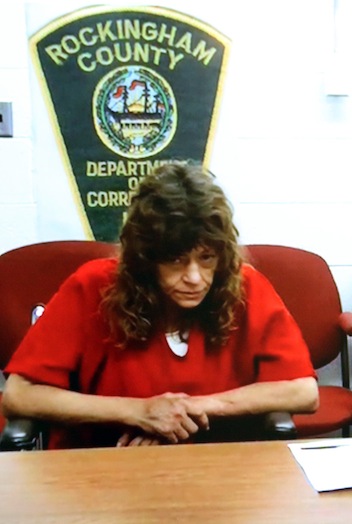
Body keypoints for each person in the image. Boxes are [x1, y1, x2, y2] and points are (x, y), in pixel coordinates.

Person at [1, 164, 319, 448]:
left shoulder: (245, 284)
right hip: (104, 466)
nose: (194, 277)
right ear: (146, 258)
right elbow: (19, 396)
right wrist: (139, 413)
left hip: (219, 468)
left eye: (206, 258)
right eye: (176, 260)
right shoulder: (93, 286)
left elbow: (302, 392)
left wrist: (188, 410)